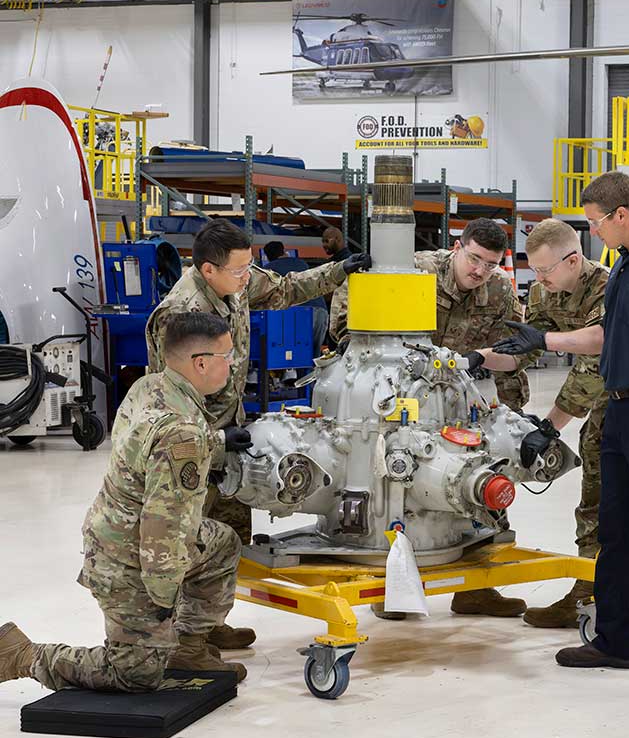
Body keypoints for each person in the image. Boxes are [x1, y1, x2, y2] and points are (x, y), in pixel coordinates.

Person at [493, 172, 629, 689]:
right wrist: (544, 340)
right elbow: (603, 336)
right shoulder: (626, 268)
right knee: (618, 532)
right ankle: (616, 640)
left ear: (621, 215)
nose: (594, 234)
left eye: (595, 223)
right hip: (620, 411)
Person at [146, 219, 371, 650]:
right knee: (186, 535)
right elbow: (168, 395)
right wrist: (208, 441)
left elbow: (284, 289)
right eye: (239, 270)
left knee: (230, 529)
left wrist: (340, 270)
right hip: (191, 440)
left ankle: (207, 623)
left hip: (228, 427)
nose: (248, 277)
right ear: (207, 269)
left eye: (250, 267)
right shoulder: (181, 314)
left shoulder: (235, 283)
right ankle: (177, 639)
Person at [0, 312, 248, 692]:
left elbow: (147, 448)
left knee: (222, 542)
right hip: (126, 558)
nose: (232, 365)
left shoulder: (151, 387)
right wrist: (163, 597)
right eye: (227, 357)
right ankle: (25, 655)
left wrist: (219, 441)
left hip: (118, 530)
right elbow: (163, 526)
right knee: (135, 675)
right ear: (201, 363)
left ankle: (189, 647)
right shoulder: (182, 433)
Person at [330, 217, 530, 618]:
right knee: (396, 488)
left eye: (490, 264)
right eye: (474, 259)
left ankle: (478, 589)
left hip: (459, 399)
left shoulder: (500, 290)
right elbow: (346, 311)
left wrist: (509, 416)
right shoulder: (413, 269)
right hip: (399, 399)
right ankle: (394, 588)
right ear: (458, 247)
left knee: (478, 485)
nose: (480, 271)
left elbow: (516, 350)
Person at [499, 218, 629, 639]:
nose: (539, 279)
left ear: (572, 261)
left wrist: (551, 426)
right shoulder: (542, 291)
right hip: (602, 413)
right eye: (533, 270)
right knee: (594, 500)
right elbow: (524, 346)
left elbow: (596, 361)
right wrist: (481, 363)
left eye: (545, 270)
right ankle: (590, 588)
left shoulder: (610, 287)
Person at [263, 239, 329, 357]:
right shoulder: (301, 263)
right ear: (284, 251)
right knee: (314, 356)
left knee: (295, 356)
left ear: (267, 257)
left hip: (299, 314)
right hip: (321, 311)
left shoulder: (268, 269)